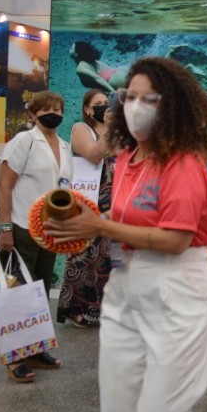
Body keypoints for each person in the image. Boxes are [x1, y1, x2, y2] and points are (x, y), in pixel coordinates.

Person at [44, 57, 207, 412]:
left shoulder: (184, 165)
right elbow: (120, 219)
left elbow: (175, 239)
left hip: (180, 288)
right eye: (131, 97)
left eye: (150, 98)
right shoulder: (124, 159)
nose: (137, 106)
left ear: (174, 106)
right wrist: (77, 225)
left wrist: (100, 228)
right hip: (126, 284)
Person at [0, 90, 73, 383]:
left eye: (58, 107)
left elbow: (64, 192)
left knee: (38, 292)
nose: (53, 112)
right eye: (46, 108)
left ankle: (36, 351)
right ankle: (15, 360)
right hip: (18, 225)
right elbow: (5, 186)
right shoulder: (24, 141)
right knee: (17, 294)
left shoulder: (64, 147)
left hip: (46, 230)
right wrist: (5, 228)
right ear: (32, 114)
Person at [58, 89, 115, 328]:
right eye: (98, 104)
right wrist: (111, 129)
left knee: (107, 256)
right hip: (89, 200)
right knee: (83, 255)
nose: (103, 106)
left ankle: (101, 308)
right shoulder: (81, 129)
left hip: (114, 201)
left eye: (107, 102)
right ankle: (73, 307)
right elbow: (93, 155)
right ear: (89, 109)